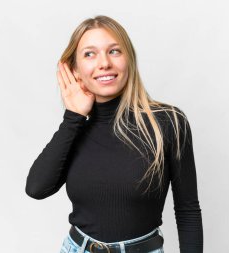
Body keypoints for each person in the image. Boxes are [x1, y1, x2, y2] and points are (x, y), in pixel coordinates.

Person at [25, 15, 203, 253]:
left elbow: (188, 209)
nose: (104, 63)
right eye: (90, 54)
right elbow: (36, 188)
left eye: (114, 51)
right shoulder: (75, 128)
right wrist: (73, 118)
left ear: (128, 59)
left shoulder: (168, 122)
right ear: (75, 70)